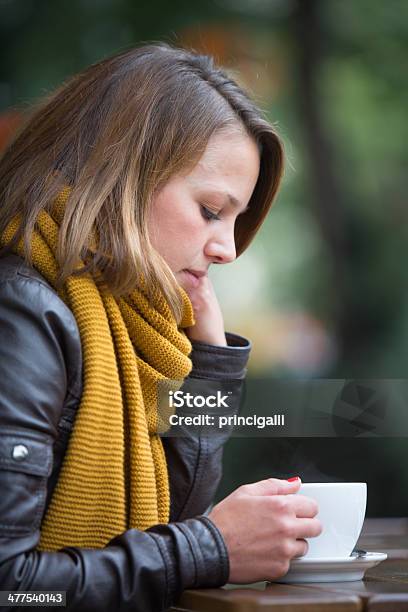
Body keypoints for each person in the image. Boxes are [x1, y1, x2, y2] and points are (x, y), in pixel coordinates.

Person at [0, 43, 321, 611]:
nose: (227, 249)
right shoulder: (23, 312)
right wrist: (210, 548)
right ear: (122, 175)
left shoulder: (126, 323)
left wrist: (211, 363)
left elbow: (172, 518)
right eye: (210, 210)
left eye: (236, 220)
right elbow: (14, 588)